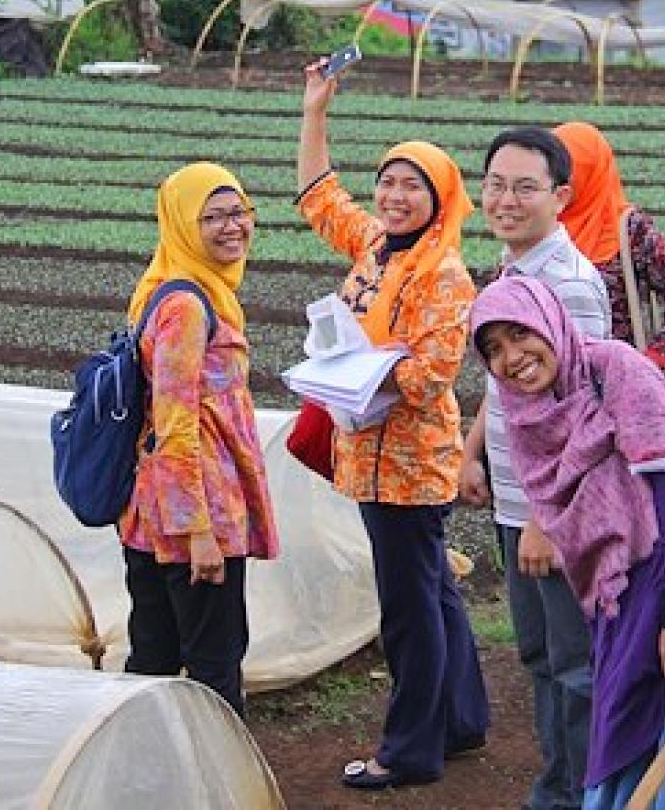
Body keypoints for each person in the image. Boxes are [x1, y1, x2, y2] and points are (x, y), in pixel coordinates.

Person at [471, 275, 665, 810]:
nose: (513, 357)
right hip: (617, 599)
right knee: (627, 734)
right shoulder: (528, 412)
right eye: (494, 349)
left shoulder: (614, 369)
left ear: (548, 321)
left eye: (519, 333)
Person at [296, 60, 490, 790]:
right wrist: (316, 111)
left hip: (408, 464)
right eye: (390, 181)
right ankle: (463, 722)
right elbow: (320, 198)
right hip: (370, 452)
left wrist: (350, 370)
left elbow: (430, 374)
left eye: (413, 185)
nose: (396, 195)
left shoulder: (445, 273)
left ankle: (409, 751)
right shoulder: (377, 244)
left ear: (441, 198)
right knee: (433, 590)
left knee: (409, 609)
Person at [460, 126, 609, 810]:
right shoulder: (515, 270)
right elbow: (510, 383)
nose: (506, 199)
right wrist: (472, 450)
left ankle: (581, 796)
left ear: (561, 197)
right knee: (542, 658)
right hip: (519, 507)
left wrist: (550, 518)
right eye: (495, 184)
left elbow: (586, 411)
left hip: (557, 515)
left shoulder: (569, 285)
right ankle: (558, 788)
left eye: (525, 187)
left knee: (576, 666)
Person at [120, 162, 280, 718]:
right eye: (212, 217)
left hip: (154, 513)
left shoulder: (174, 289)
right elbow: (175, 423)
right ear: (185, 225)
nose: (232, 226)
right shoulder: (186, 307)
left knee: (154, 661)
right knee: (213, 667)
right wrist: (197, 532)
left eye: (239, 212)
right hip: (193, 515)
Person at [554, 121, 665, 369]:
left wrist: (652, 361)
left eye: (564, 171)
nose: (555, 181)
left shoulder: (630, 229)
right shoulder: (535, 226)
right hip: (544, 387)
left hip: (615, 384)